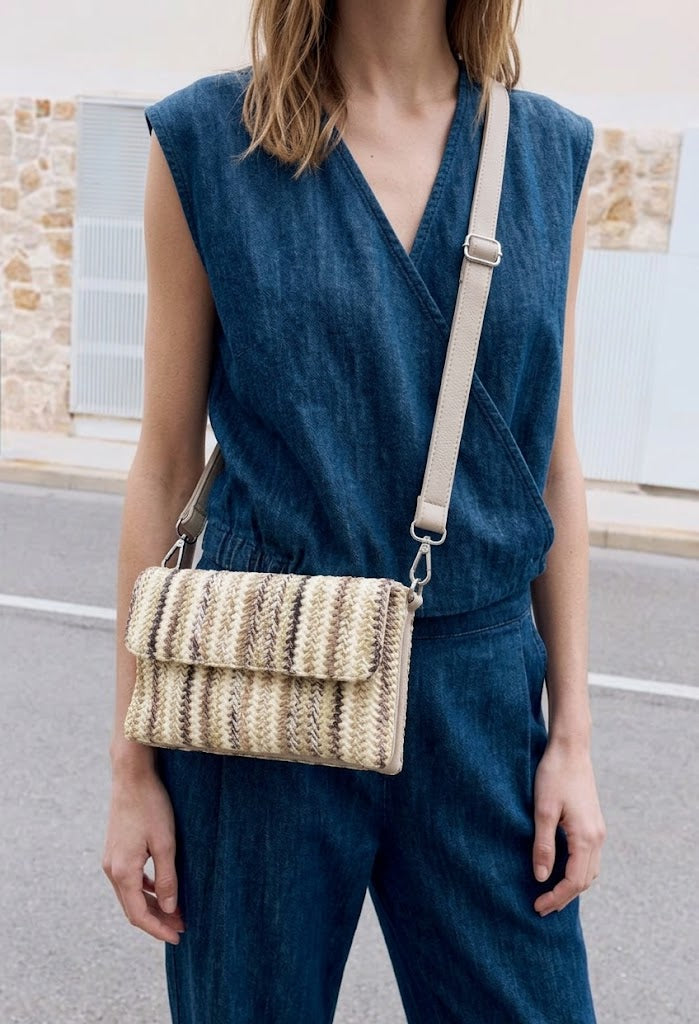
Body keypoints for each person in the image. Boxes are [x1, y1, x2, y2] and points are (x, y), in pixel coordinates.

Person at [102, 0, 607, 1020]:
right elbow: (162, 466)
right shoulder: (207, 141)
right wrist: (131, 763)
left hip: (477, 687)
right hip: (260, 678)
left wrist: (574, 741)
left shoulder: (550, 156)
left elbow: (549, 470)